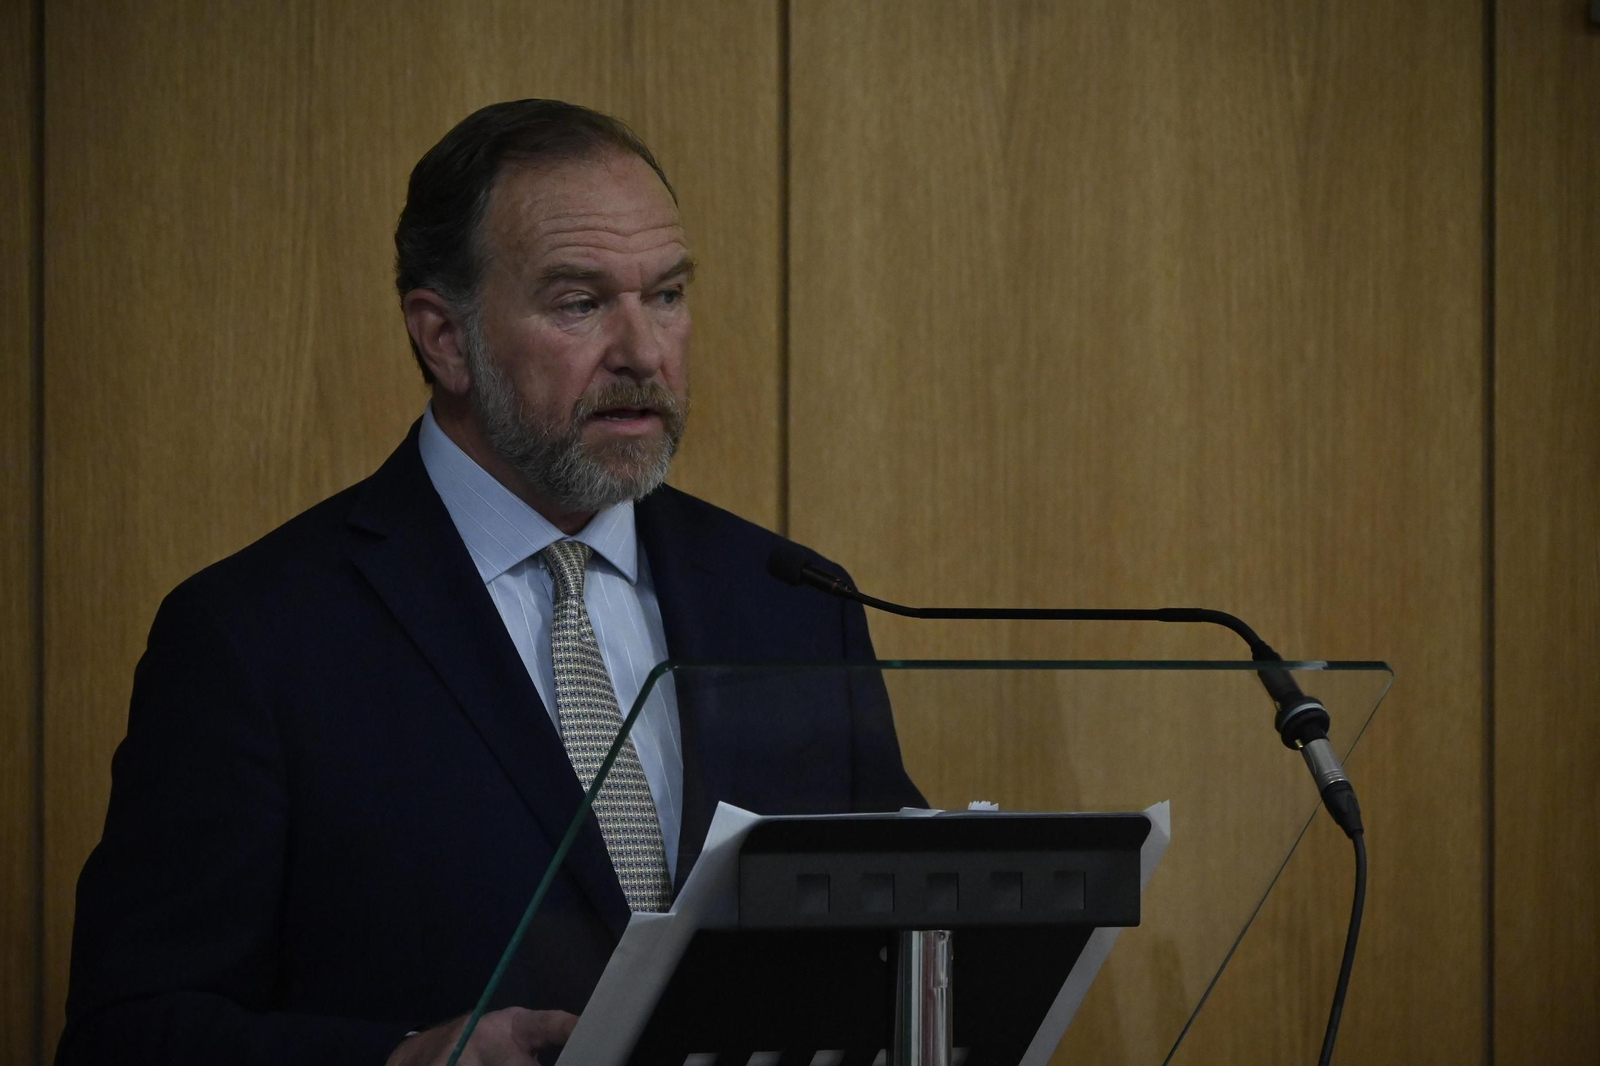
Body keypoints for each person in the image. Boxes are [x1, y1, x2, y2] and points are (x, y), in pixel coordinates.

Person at [56, 100, 924, 1066]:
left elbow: (902, 938)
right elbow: (125, 1033)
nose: (645, 352)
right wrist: (403, 1060)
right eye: (581, 303)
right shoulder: (255, 637)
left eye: (667, 295)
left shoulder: (794, 603)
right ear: (444, 339)